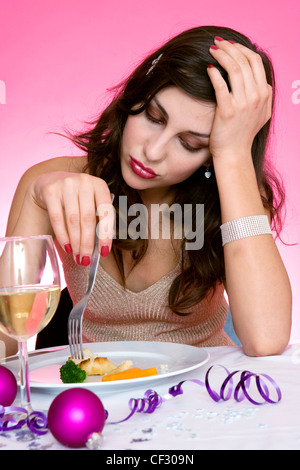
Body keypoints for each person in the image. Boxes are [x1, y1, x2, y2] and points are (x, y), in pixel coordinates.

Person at [3, 26, 292, 357]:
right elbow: (6, 347)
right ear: (136, 95)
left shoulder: (235, 195)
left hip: (203, 395)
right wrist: (34, 199)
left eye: (189, 143)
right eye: (154, 117)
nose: (153, 151)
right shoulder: (54, 185)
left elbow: (266, 338)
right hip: (99, 394)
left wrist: (234, 154)